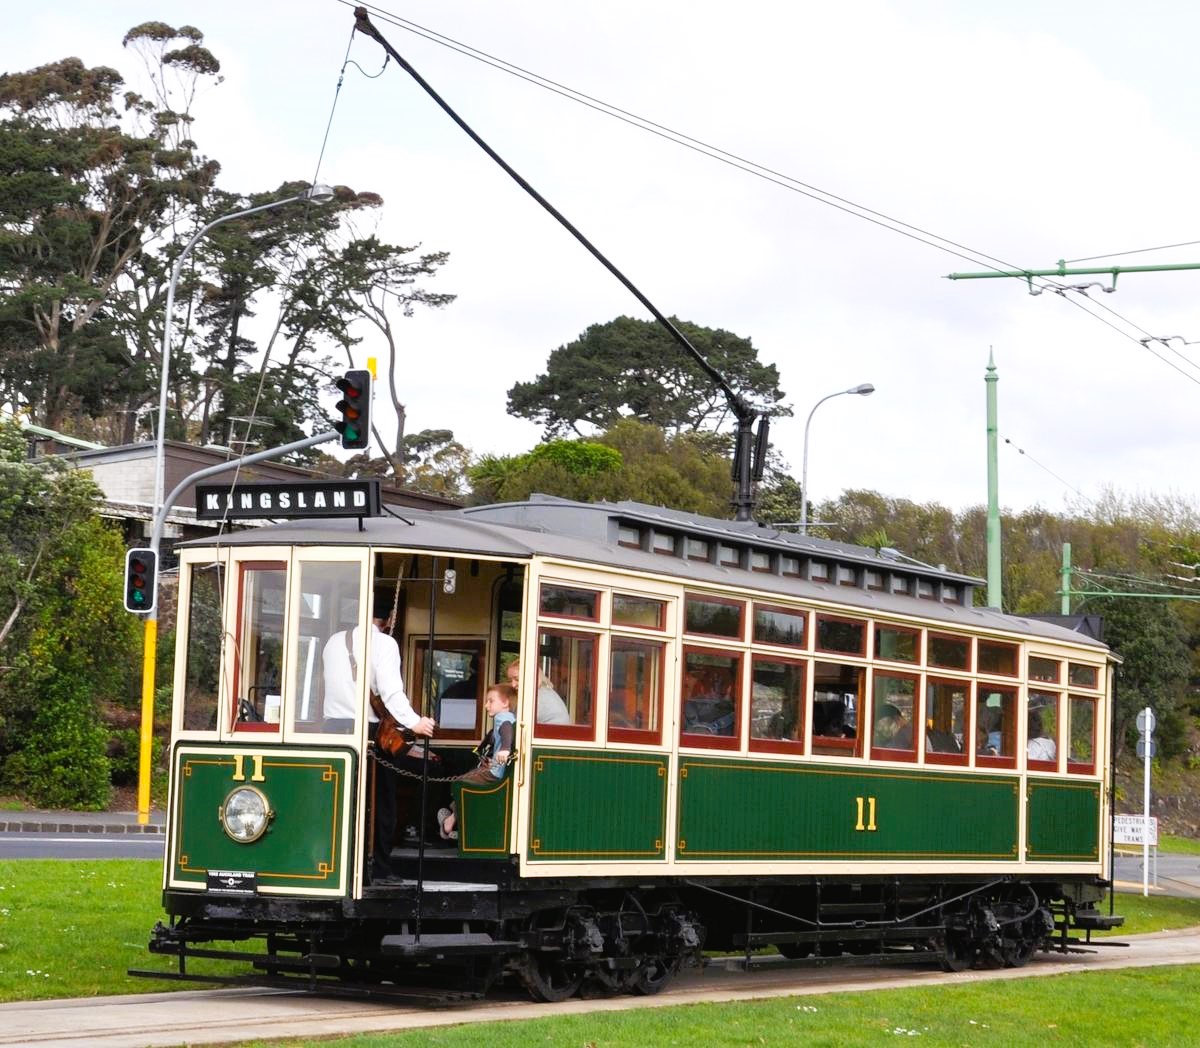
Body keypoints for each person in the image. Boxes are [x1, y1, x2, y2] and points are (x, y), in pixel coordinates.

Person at [322, 592, 436, 880]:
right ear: (388, 620)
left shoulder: (335, 641)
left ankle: (336, 866)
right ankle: (379, 869)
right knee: (381, 802)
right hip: (368, 732)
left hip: (332, 729)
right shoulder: (384, 643)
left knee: (338, 801)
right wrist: (416, 722)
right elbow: (390, 691)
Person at [437, 682, 517, 839]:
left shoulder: (503, 718)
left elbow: (506, 731)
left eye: (491, 701)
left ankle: (452, 823)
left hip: (495, 772)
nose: (487, 705)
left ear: (505, 702)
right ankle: (455, 819)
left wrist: (505, 749)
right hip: (495, 768)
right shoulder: (510, 717)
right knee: (465, 781)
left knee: (461, 784)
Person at [507, 658, 570, 725]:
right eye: (510, 681)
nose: (513, 685)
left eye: (517, 679)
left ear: (531, 676)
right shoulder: (545, 692)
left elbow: (518, 724)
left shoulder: (538, 697)